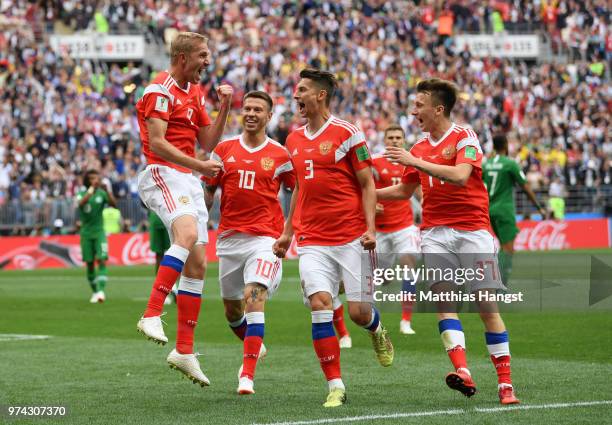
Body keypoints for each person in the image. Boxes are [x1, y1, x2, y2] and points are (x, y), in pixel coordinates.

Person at [380, 78, 519, 405]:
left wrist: (413, 162)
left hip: (473, 230)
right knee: (444, 302)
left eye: (419, 105)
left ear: (438, 109)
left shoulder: (464, 137)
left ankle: (505, 384)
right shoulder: (417, 147)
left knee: (486, 305)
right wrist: (362, 194)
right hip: (435, 232)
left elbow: (459, 176)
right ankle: (463, 372)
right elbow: (402, 192)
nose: (413, 111)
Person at [273, 68, 394, 408]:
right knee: (320, 304)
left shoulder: (348, 133)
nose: (296, 96)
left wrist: (370, 228)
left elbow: (368, 183)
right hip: (312, 240)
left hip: (351, 236)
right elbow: (298, 187)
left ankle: (377, 329)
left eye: (302, 90)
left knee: (357, 312)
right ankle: (335, 386)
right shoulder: (293, 139)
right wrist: (287, 232)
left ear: (320, 95)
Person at [135, 31, 233, 387]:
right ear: (183, 57)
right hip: (162, 172)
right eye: (203, 55)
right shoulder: (159, 91)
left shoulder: (194, 92)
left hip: (187, 177)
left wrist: (224, 107)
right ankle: (151, 312)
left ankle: (184, 350)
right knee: (188, 235)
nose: (208, 61)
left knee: (197, 262)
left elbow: (207, 142)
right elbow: (158, 144)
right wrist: (199, 164)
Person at [203, 90, 295, 395]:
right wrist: (198, 220)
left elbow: (297, 193)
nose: (252, 113)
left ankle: (247, 374)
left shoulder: (281, 155)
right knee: (232, 311)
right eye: (248, 108)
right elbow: (209, 191)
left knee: (253, 296)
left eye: (259, 109)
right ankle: (256, 346)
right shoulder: (223, 150)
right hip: (229, 240)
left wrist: (288, 231)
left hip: (265, 240)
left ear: (269, 116)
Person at [372, 124, 422, 335]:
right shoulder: (374, 162)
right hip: (380, 230)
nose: (394, 140)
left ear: (403, 140)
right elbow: (360, 187)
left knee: (409, 264)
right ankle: (375, 322)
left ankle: (405, 321)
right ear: (385, 140)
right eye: (390, 137)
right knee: (381, 278)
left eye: (398, 138)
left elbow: (419, 190)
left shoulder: (410, 162)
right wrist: (370, 204)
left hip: (404, 226)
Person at [482, 134, 546, 286]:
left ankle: (495, 280)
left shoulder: (486, 164)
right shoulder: (510, 164)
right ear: (505, 145)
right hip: (505, 210)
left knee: (503, 248)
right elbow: (525, 187)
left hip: (490, 210)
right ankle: (499, 285)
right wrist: (539, 208)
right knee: (508, 250)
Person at [77, 169, 117, 303]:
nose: (95, 180)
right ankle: (95, 291)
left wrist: (108, 191)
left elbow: (114, 205)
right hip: (86, 234)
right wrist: (91, 190)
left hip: (99, 232)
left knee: (101, 259)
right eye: (92, 178)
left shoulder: (102, 193)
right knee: (89, 264)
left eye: (97, 178)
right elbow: (81, 204)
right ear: (88, 180)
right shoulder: (82, 193)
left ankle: (100, 291)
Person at [148, 210, 176, 305]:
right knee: (159, 256)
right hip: (156, 217)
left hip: (171, 215)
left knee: (174, 252)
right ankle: (162, 292)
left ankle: (175, 287)